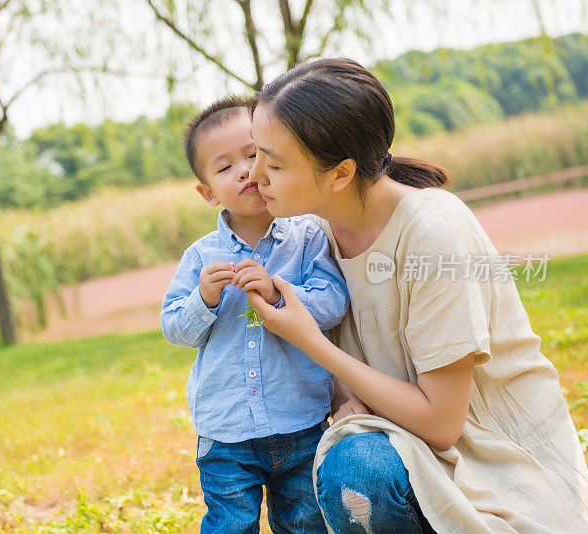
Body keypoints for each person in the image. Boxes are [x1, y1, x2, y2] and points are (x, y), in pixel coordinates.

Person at [244, 57, 588, 533]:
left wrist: (312, 343)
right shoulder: (310, 233)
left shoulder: (433, 233)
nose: (254, 175)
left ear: (341, 173)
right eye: (255, 153)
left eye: (274, 163)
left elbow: (444, 423)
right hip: (399, 437)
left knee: (357, 469)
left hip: (489, 458)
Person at [160, 96, 349, 533]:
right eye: (225, 167)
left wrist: (280, 292)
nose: (245, 171)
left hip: (300, 420)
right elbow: (174, 327)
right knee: (230, 524)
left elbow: (333, 300)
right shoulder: (201, 256)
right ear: (207, 192)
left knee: (306, 523)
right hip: (226, 430)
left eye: (254, 155)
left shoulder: (305, 238)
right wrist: (202, 301)